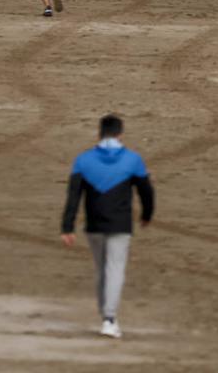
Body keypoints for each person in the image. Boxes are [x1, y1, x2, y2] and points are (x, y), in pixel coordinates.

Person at [60, 114, 155, 340]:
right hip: (120, 224)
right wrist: (147, 215)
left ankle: (105, 314)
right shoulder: (132, 160)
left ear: (99, 132)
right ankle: (109, 318)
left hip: (94, 224)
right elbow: (146, 191)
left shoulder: (83, 160)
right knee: (115, 269)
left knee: (101, 268)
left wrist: (67, 226)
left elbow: (73, 197)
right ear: (120, 134)